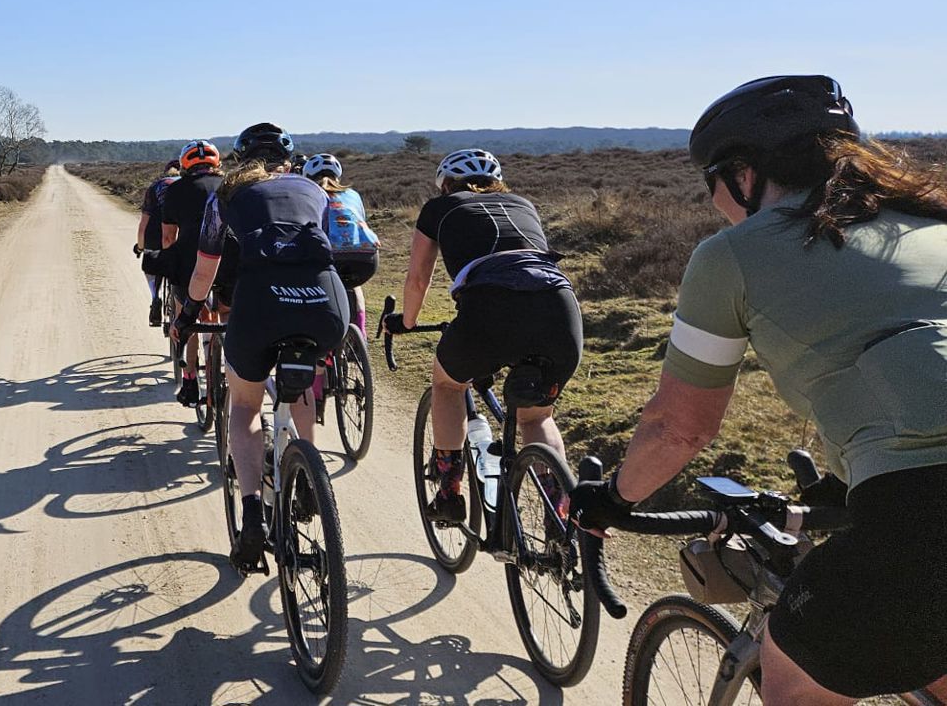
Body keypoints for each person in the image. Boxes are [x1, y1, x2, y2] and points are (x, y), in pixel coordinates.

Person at [570, 76, 947, 704]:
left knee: (794, 673)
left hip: (924, 506)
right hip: (903, 490)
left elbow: (680, 426)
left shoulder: (733, 256)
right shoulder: (933, 221)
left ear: (743, 176)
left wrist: (614, 497)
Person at [175, 123, 349, 572]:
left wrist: (189, 314)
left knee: (247, 406)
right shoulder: (314, 189)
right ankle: (309, 478)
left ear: (239, 162)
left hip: (259, 305)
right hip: (325, 305)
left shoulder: (227, 196)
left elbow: (205, 269)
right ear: (289, 163)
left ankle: (251, 511)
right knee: (302, 382)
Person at [384, 148, 582, 526]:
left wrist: (407, 322)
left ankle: (448, 492)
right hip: (559, 308)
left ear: (445, 185)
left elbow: (417, 278)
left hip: (490, 311)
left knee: (447, 384)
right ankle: (561, 513)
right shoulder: (522, 202)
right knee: (536, 416)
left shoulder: (438, 208)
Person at [161, 140, 223, 407]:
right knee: (227, 315)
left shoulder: (174, 191)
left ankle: (189, 381)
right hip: (227, 264)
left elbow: (167, 238)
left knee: (186, 316)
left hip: (189, 265)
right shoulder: (229, 186)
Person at [303, 153, 379, 337]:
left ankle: (323, 341)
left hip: (330, 255)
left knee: (315, 290)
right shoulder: (353, 194)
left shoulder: (310, 194)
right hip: (366, 256)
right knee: (354, 287)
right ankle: (359, 334)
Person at [134, 159, 182, 326]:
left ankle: (155, 297)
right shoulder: (187, 185)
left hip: (155, 235)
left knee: (150, 264)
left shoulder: (155, 187)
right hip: (180, 235)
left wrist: (140, 247)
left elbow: (143, 226)